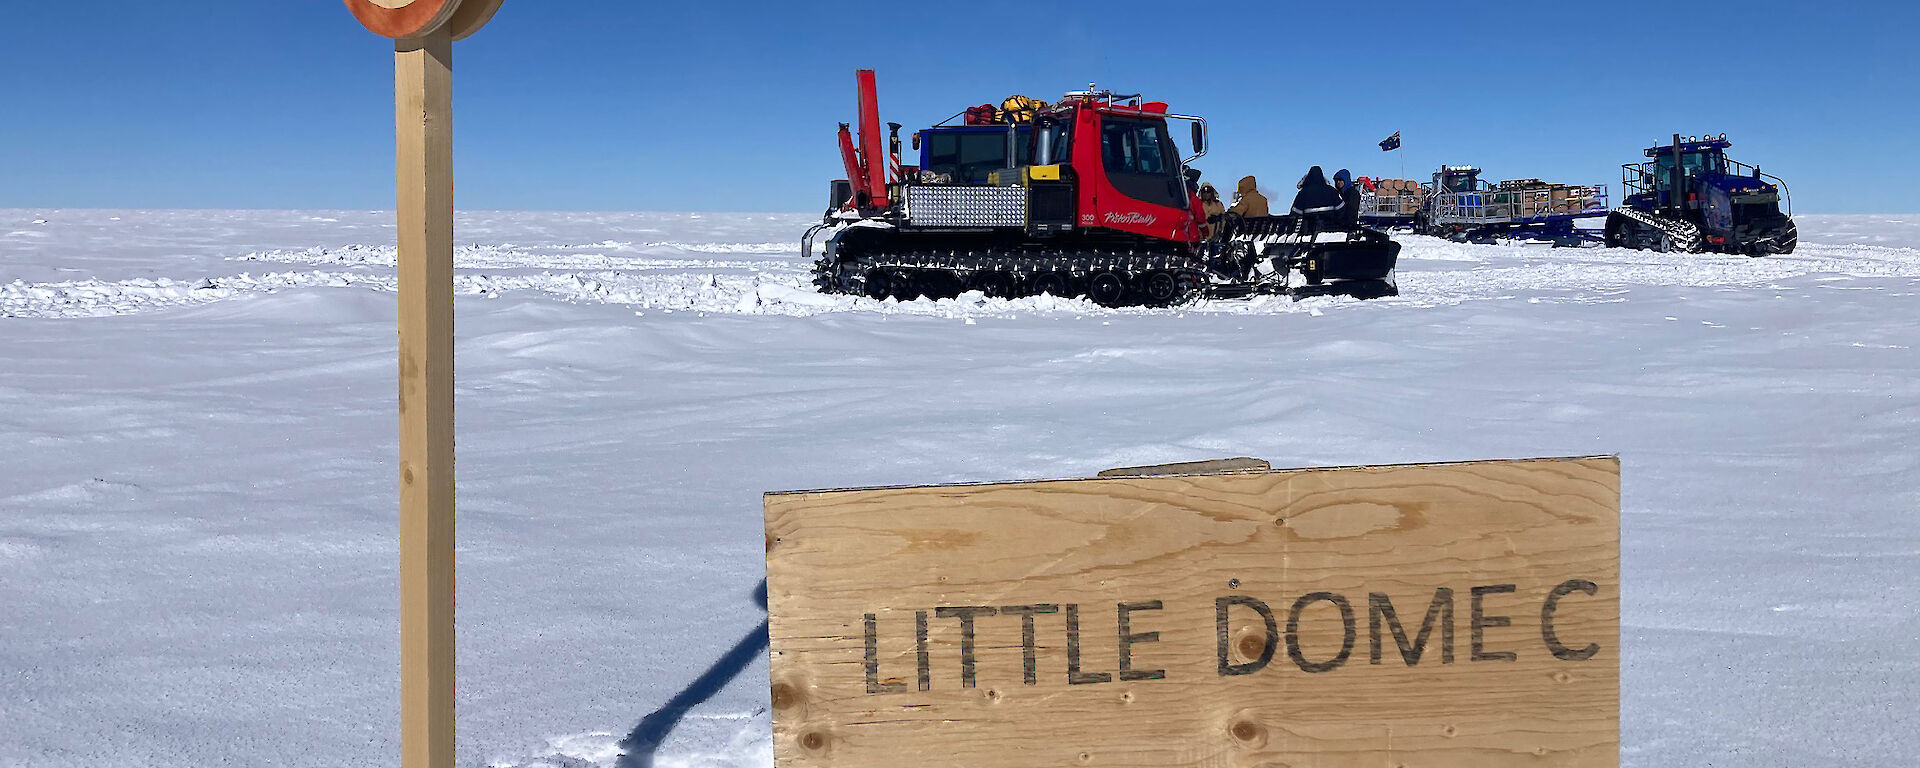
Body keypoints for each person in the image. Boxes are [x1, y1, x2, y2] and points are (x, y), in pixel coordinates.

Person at [1290, 166, 1343, 232]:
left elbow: (1295, 213)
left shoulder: (1303, 193)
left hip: (1309, 231)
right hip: (1331, 230)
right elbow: (1341, 210)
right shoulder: (1332, 191)